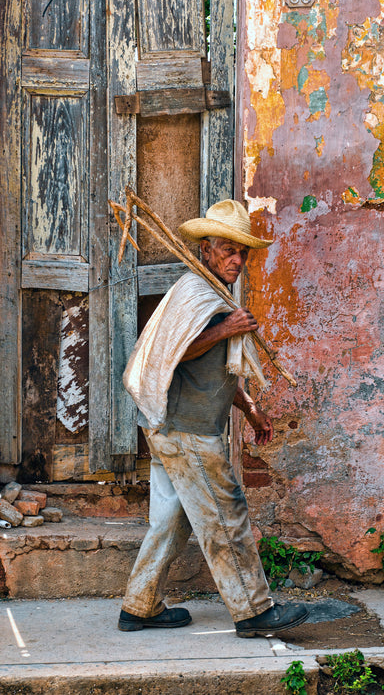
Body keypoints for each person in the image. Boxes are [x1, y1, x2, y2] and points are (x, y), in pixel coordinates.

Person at [118, 199, 309, 638]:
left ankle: (139, 606)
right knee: (227, 515)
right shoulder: (197, 294)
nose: (237, 260)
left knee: (172, 520)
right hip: (188, 431)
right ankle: (254, 611)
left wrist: (250, 408)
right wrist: (227, 328)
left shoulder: (215, 295)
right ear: (206, 249)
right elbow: (175, 353)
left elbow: (216, 374)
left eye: (243, 252)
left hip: (171, 429)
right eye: (227, 249)